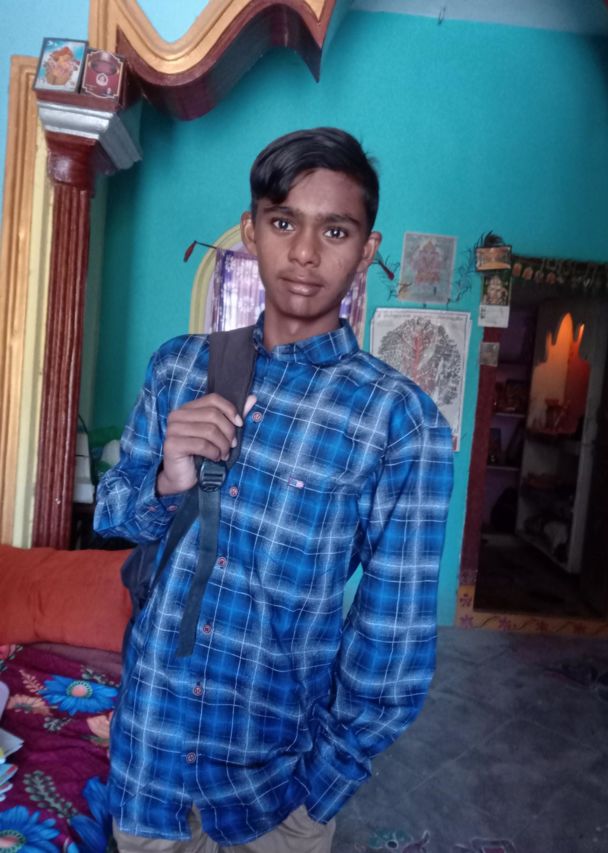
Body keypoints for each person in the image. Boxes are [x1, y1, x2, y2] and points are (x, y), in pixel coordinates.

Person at [94, 127, 454, 852]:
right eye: (284, 222)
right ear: (252, 229)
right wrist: (167, 480)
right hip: (147, 768)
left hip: (274, 793)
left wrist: (316, 795)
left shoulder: (398, 421)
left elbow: (391, 645)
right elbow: (112, 515)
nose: (305, 252)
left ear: (368, 250)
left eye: (336, 230)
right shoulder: (179, 368)